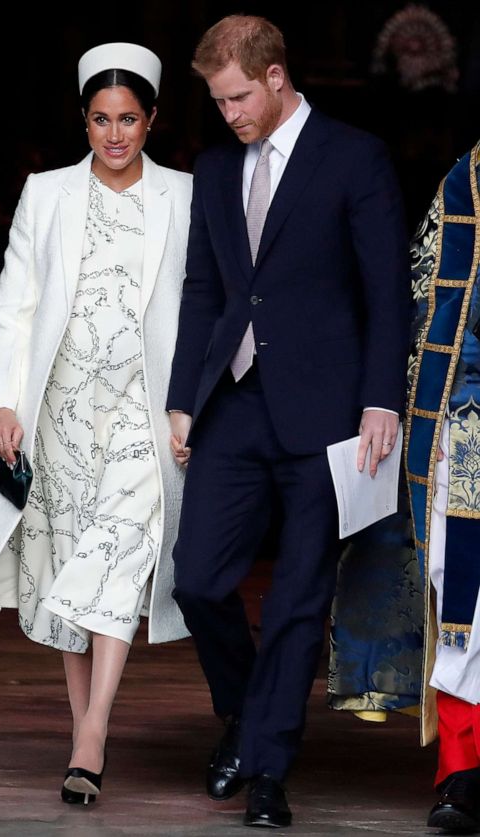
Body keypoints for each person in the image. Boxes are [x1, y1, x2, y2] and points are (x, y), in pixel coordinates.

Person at [165, 15, 408, 828]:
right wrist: (181, 398)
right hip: (233, 406)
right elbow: (207, 290)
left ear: (275, 77)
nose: (228, 113)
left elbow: (386, 292)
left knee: (301, 598)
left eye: (237, 96)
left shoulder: (355, 156)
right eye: (217, 99)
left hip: (330, 412)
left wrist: (382, 399)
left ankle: (268, 768)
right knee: (197, 576)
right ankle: (246, 713)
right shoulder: (212, 169)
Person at [0, 42, 191, 805]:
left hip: (145, 412)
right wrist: (2, 403)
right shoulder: (46, 192)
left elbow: (203, 304)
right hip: (58, 411)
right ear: (84, 120)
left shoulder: (184, 194)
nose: (114, 136)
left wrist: (191, 404)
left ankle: (94, 730)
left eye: (129, 120)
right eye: (100, 120)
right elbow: (13, 302)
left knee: (119, 551)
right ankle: (86, 733)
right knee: (66, 568)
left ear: (152, 120)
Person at [404, 139, 480, 834]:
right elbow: (432, 303)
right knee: (461, 596)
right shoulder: (469, 178)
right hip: (471, 419)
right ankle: (462, 769)